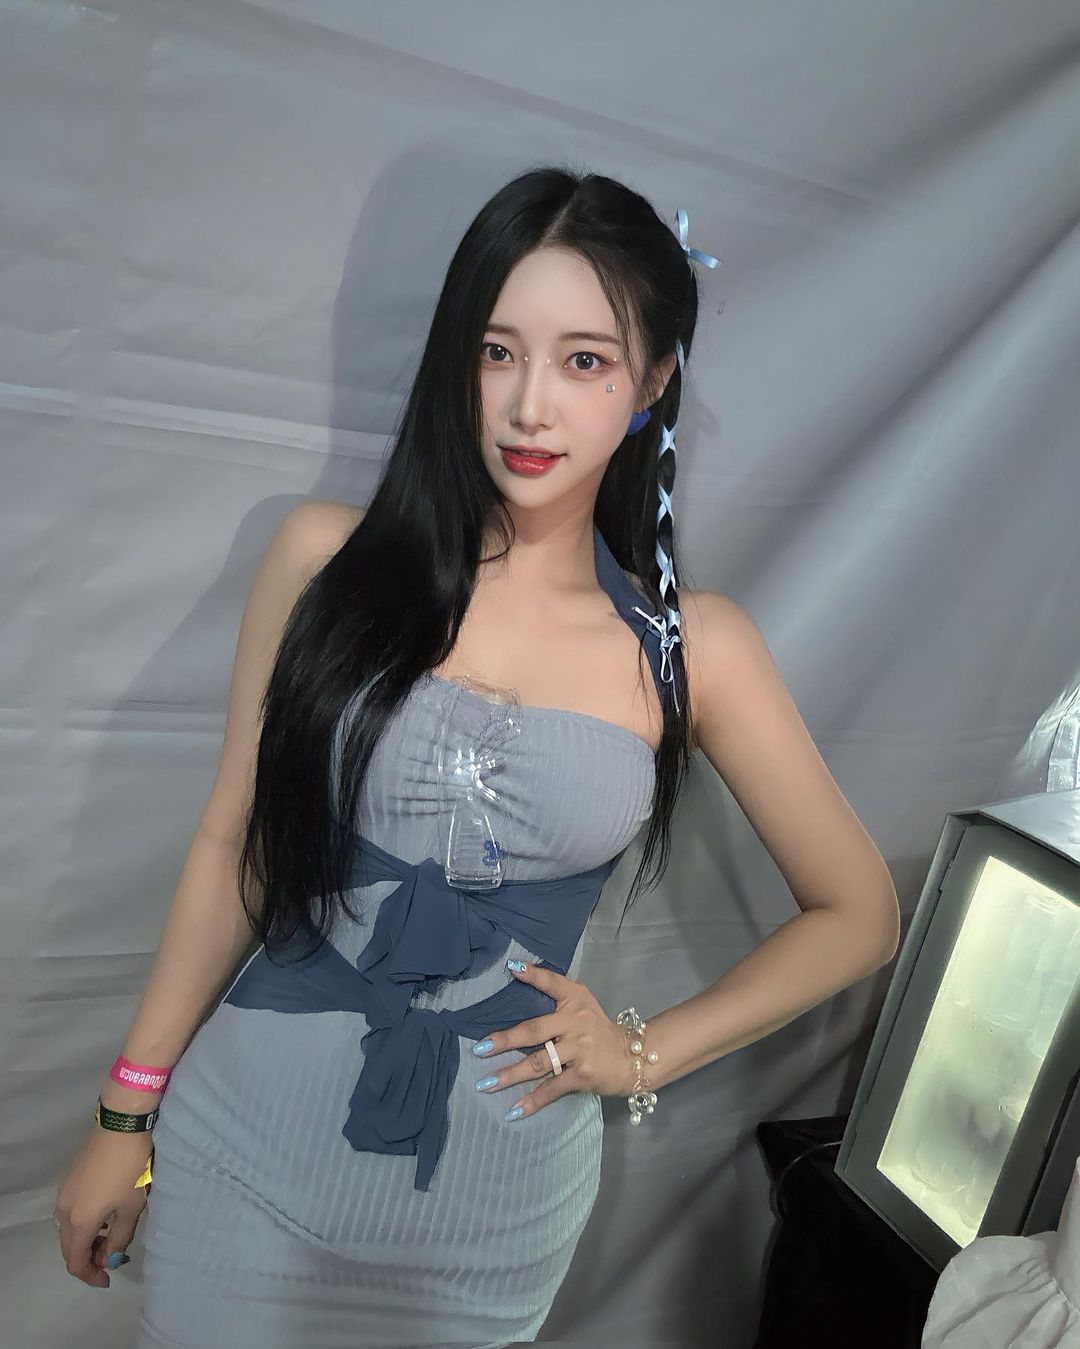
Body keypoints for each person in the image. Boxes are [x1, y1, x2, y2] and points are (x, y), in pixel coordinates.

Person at [53, 164, 900, 1347]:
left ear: (655, 380)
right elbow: (234, 842)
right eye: (499, 351)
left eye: (584, 361)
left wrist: (643, 1050)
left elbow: (861, 914)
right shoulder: (322, 560)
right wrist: (124, 1111)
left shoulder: (691, 647)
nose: (528, 405)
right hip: (244, 1148)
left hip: (493, 1208)